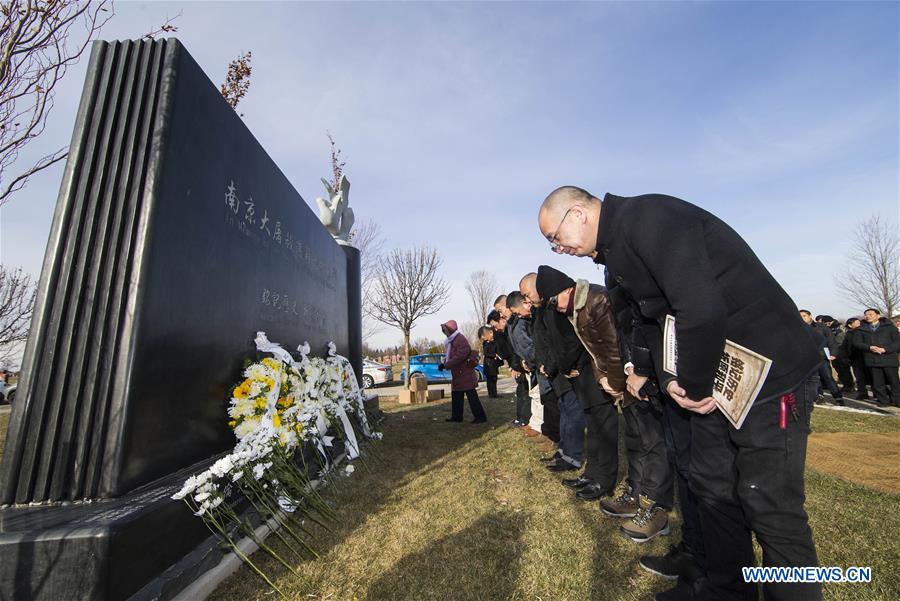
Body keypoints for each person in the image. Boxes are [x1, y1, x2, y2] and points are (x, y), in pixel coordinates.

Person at [539, 186, 822, 601]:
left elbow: (699, 307)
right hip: (713, 380)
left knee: (769, 503)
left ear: (578, 213)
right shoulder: (616, 254)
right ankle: (725, 591)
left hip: (770, 376)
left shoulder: (649, 219)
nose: (557, 249)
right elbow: (654, 321)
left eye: (555, 237)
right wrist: (667, 377)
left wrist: (691, 383)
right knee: (712, 489)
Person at [537, 266, 620, 501]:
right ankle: (592, 474)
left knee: (605, 429)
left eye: (553, 301)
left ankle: (604, 481)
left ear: (566, 289)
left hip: (601, 375)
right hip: (586, 376)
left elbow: (610, 346)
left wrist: (613, 380)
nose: (555, 308)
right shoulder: (572, 308)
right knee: (594, 429)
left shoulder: (596, 299)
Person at [519, 272, 562, 445]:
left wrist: (546, 364)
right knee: (547, 401)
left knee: (556, 405)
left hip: (553, 367)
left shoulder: (550, 310)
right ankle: (556, 441)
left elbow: (554, 341)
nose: (527, 302)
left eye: (527, 296)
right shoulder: (538, 313)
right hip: (543, 366)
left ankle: (562, 445)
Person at [506, 291, 545, 437]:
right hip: (530, 363)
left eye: (517, 312)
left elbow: (531, 345)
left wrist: (534, 361)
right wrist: (524, 361)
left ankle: (540, 426)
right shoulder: (517, 321)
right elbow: (519, 347)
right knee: (534, 394)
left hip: (539, 364)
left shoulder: (528, 320)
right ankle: (536, 423)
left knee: (540, 396)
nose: (519, 315)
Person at [439, 320, 487, 423]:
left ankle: (480, 417)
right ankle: (457, 417)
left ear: (450, 330)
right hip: (459, 373)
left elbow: (461, 356)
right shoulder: (453, 340)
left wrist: (446, 364)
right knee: (457, 395)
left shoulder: (459, 339)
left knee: (471, 396)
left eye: (445, 330)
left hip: (464, 372)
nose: (444, 332)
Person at [495, 295, 531, 426]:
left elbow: (520, 346)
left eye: (501, 310)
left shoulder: (520, 320)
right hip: (520, 363)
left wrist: (517, 364)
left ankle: (526, 420)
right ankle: (523, 419)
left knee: (528, 393)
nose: (501, 314)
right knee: (522, 391)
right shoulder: (512, 323)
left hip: (526, 364)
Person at [853, 308, 900, 407]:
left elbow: (897, 342)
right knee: (877, 382)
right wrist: (869, 347)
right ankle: (883, 401)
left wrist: (885, 349)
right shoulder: (861, 329)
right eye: (866, 315)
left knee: (894, 381)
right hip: (872, 359)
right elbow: (857, 343)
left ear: (878, 316)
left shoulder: (889, 327)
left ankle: (897, 400)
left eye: (871, 314)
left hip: (889, 358)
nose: (868, 316)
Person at [800, 310, 843, 405]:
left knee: (827, 377)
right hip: (807, 358)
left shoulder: (821, 327)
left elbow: (831, 341)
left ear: (810, 316)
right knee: (813, 379)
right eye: (800, 316)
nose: (802, 318)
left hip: (821, 356)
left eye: (804, 316)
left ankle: (838, 397)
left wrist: (833, 353)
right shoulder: (799, 328)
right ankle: (819, 396)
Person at [842, 317, 871, 400]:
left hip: (868, 356)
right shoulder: (849, 334)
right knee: (859, 377)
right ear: (850, 325)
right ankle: (862, 393)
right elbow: (847, 346)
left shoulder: (867, 331)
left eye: (859, 322)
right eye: (856, 323)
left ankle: (878, 393)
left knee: (873, 375)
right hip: (855, 357)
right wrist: (847, 356)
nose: (859, 324)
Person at [478, 326, 501, 398]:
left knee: (494, 379)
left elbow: (498, 351)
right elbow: (486, 353)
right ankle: (491, 394)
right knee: (489, 381)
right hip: (488, 365)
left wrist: (498, 356)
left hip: (494, 364)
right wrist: (494, 355)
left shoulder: (495, 342)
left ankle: (495, 394)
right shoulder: (485, 343)